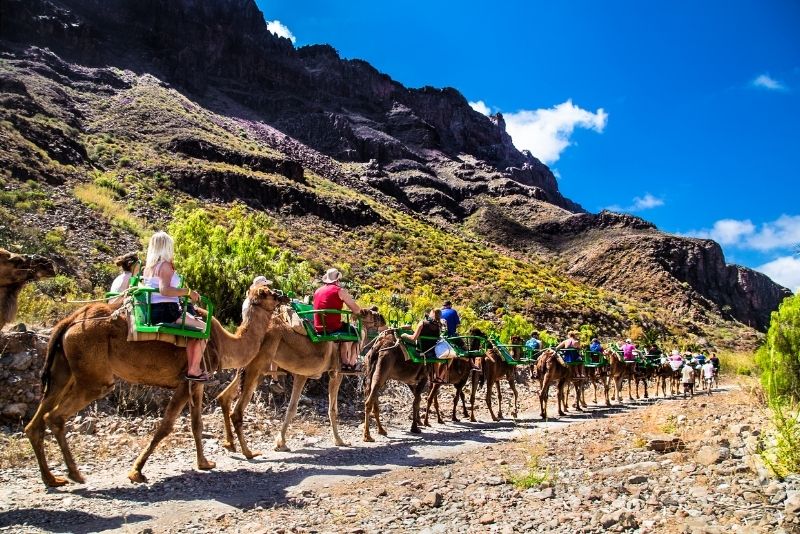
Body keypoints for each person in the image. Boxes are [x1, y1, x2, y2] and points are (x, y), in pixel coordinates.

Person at [142, 231, 208, 381]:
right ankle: (194, 369)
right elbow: (164, 290)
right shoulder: (165, 266)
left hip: (155, 310)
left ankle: (192, 367)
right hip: (169, 311)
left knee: (195, 329)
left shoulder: (149, 267)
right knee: (204, 327)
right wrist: (187, 292)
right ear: (166, 247)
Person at [313, 268, 362, 371]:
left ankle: (344, 360)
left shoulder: (317, 291)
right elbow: (356, 309)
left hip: (318, 328)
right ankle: (352, 363)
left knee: (345, 330)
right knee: (357, 333)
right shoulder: (340, 291)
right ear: (337, 280)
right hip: (333, 327)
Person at [402, 308, 448, 382]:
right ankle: (438, 376)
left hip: (421, 352)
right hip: (433, 353)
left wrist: (405, 335)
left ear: (431, 313)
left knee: (405, 344)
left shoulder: (422, 323)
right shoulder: (438, 326)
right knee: (434, 355)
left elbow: (413, 338)